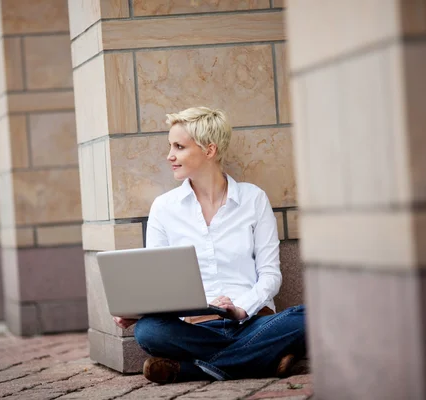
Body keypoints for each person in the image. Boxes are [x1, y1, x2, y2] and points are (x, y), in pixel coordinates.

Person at [113, 107, 306, 384]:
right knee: (148, 331)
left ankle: (194, 370)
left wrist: (240, 308)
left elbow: (271, 275)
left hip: (253, 323)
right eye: (170, 146)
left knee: (308, 317)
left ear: (209, 150)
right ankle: (263, 360)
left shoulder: (253, 199)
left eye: (179, 147)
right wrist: (139, 310)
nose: (170, 156)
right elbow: (160, 284)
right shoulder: (164, 208)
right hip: (195, 330)